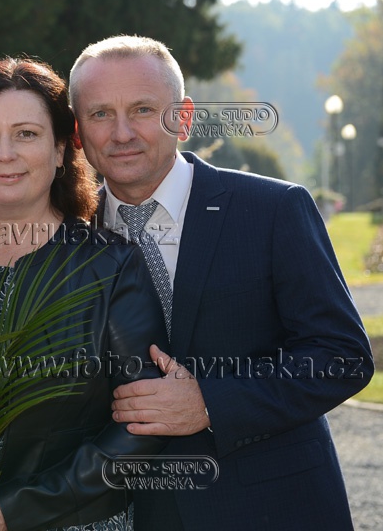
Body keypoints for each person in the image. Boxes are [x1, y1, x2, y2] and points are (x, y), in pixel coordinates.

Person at [68, 34, 374, 530]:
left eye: (143, 109)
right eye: (100, 113)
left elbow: (342, 357)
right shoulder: (67, 239)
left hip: (272, 509)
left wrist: (211, 403)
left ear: (184, 118)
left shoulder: (273, 210)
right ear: (78, 132)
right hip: (131, 514)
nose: (122, 133)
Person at [0, 57, 169, 531]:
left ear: (61, 150)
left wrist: (10, 511)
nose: (5, 154)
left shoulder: (109, 266)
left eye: (26, 134)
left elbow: (139, 428)